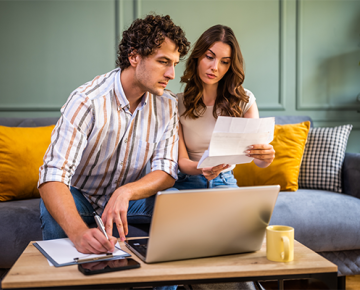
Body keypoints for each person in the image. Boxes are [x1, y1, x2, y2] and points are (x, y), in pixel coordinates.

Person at [38, 14, 190, 256]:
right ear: (134, 56)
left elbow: (167, 172)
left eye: (175, 63)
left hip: (129, 202)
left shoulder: (167, 105)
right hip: (82, 196)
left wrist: (126, 192)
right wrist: (78, 232)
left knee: (173, 201)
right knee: (51, 206)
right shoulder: (87, 101)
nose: (172, 74)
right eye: (163, 62)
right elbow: (52, 176)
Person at [175, 25, 275, 191]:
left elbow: (256, 158)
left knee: (249, 217)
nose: (215, 67)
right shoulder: (177, 103)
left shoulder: (244, 100)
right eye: (209, 57)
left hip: (225, 181)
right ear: (198, 57)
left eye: (224, 62)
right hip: (188, 181)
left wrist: (265, 157)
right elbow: (182, 162)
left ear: (230, 66)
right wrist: (202, 169)